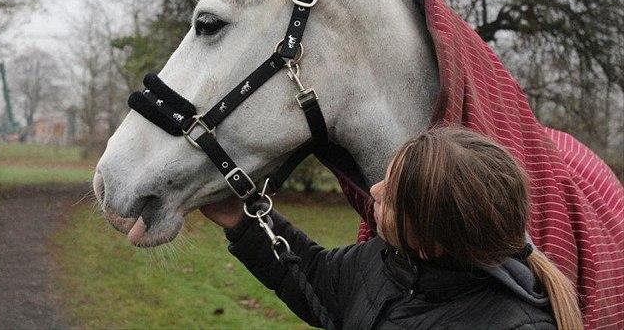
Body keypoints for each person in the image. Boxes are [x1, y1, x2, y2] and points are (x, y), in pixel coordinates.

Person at [201, 127, 583, 329]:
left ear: (431, 241)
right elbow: (314, 276)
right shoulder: (387, 262)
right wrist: (242, 219)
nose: (374, 190)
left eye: (394, 196)